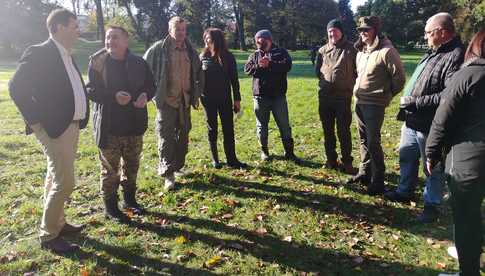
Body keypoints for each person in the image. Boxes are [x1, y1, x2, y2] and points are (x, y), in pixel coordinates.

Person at [8, 9, 89, 253]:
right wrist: (35, 122)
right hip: (54, 128)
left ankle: (58, 223)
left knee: (55, 177)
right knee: (66, 182)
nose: (78, 31)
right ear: (59, 28)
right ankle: (49, 235)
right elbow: (16, 86)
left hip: (72, 126)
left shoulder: (67, 54)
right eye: (74, 26)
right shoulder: (39, 52)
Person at [384, 13, 464, 223]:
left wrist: (416, 102)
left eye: (429, 32)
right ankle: (404, 190)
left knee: (432, 165)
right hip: (412, 119)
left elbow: (449, 95)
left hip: (430, 123)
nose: (425, 36)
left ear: (443, 32)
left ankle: (432, 204)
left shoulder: (455, 55)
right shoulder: (434, 51)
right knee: (407, 156)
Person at [426, 29, 485, 276]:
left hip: (468, 161)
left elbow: (443, 117)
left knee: (466, 220)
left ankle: (468, 270)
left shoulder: (469, 74)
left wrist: (432, 152)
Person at [86, 26, 155, 222]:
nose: (110, 42)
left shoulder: (139, 62)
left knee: (132, 165)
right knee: (110, 170)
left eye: (115, 38)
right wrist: (113, 96)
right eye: (108, 38)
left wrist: (145, 95)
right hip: (109, 127)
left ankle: (130, 200)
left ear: (126, 41)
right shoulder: (98, 63)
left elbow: (151, 86)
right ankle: (110, 207)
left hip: (134, 126)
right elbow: (90, 90)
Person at [347, 16, 406, 195]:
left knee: (373, 142)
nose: (362, 33)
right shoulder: (361, 51)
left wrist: (385, 96)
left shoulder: (387, 51)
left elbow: (400, 79)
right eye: (360, 30)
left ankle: (378, 181)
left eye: (366, 30)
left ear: (375, 31)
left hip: (374, 105)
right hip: (359, 102)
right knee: (363, 140)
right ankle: (365, 173)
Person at [144, 16, 203, 191]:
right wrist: (152, 93)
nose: (181, 33)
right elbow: (143, 68)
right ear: (170, 30)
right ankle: (168, 173)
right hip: (166, 101)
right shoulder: (158, 49)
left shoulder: (191, 51)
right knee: (166, 137)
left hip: (184, 101)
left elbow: (199, 73)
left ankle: (176, 166)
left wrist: (196, 94)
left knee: (184, 136)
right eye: (177, 30)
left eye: (183, 30)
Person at [244, 29, 300, 163]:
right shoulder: (254, 55)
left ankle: (289, 152)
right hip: (260, 96)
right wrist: (259, 65)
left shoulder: (281, 52)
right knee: (261, 126)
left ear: (269, 40)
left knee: (284, 125)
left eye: (261, 40)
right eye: (257, 40)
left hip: (278, 96)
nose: (258, 43)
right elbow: (247, 69)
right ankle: (264, 151)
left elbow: (287, 66)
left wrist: (270, 64)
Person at [200, 28, 247, 169]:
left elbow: (234, 80)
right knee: (212, 129)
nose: (207, 41)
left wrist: (237, 100)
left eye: (209, 38)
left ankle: (232, 159)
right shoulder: (202, 57)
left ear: (217, 39)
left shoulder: (228, 57)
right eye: (205, 38)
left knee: (228, 129)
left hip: (225, 99)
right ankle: (215, 160)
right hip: (208, 100)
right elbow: (197, 79)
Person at [314, 19, 357, 174]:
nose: (332, 33)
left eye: (335, 30)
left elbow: (358, 71)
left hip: (343, 97)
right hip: (325, 97)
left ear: (341, 31)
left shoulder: (352, 49)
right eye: (330, 31)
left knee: (343, 131)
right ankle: (331, 160)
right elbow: (317, 71)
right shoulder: (322, 50)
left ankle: (347, 162)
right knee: (327, 130)